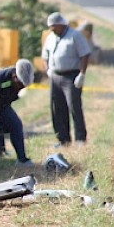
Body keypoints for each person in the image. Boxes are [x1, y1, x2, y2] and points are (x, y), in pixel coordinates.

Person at [41, 12, 91, 147]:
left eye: (54, 26)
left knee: (74, 107)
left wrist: (82, 74)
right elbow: (45, 55)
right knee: (57, 108)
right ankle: (63, 139)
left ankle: (80, 138)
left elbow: (85, 55)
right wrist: (48, 70)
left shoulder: (75, 35)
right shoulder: (51, 37)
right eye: (50, 27)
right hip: (55, 75)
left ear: (61, 25)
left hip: (71, 76)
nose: (51, 29)